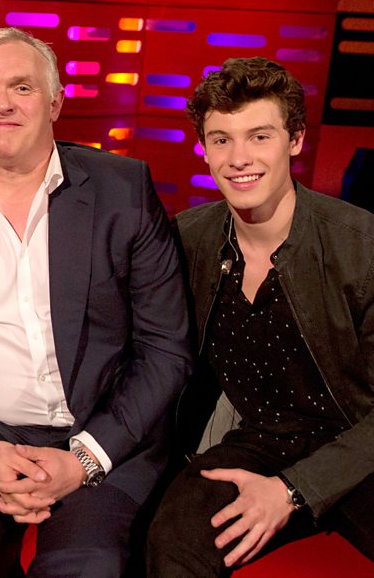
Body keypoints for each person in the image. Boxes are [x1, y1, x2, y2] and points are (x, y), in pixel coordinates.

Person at [0, 27, 192, 576]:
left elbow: (165, 349)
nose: (1, 103)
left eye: (21, 87)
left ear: (55, 103)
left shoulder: (122, 189)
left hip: (105, 432)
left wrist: (84, 459)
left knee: (87, 563)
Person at [147, 57, 374, 575]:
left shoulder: (362, 248)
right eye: (221, 139)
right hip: (260, 442)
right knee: (172, 543)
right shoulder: (187, 240)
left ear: (295, 140)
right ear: (204, 149)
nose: (238, 158)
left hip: (360, 445)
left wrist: (294, 490)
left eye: (259, 136)